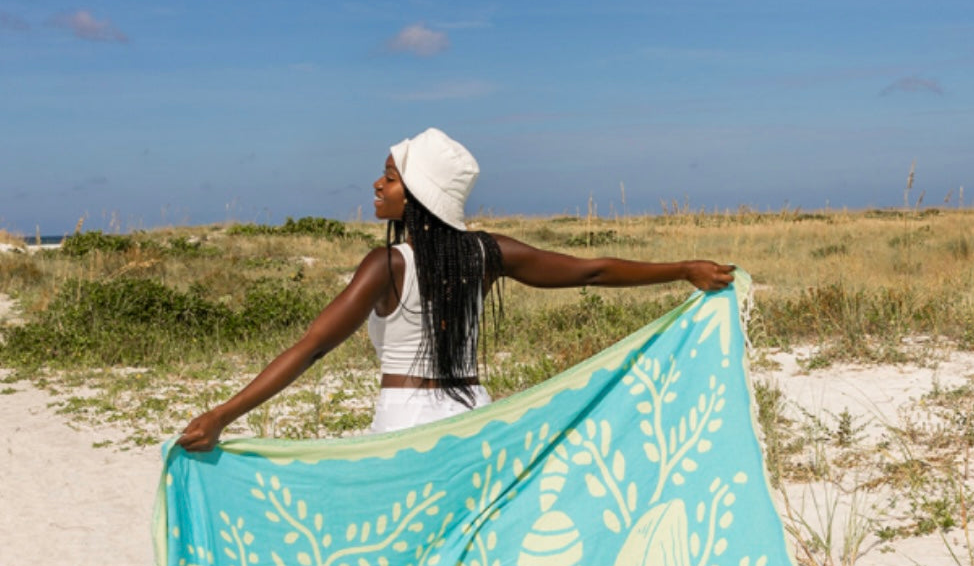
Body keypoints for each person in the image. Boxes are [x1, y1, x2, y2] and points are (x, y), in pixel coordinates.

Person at [178, 127, 735, 451]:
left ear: (416, 193)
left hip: (405, 426)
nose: (377, 183)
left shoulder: (386, 264)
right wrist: (682, 267)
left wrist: (225, 415)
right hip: (475, 420)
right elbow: (590, 270)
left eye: (391, 177)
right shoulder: (487, 253)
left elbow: (314, 346)